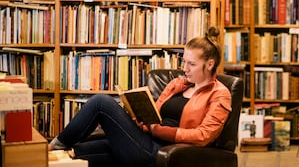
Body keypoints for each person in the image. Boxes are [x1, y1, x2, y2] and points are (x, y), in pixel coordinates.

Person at [48, 27, 231, 167]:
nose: (185, 68)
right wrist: (140, 119)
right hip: (144, 141)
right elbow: (155, 114)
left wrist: (158, 130)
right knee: (76, 154)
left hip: (161, 152)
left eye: (192, 64)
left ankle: (54, 144)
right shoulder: (177, 84)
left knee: (101, 102)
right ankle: (50, 151)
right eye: (184, 62)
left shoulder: (220, 94)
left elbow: (203, 136)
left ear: (210, 64)